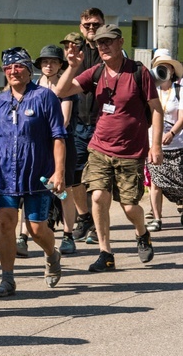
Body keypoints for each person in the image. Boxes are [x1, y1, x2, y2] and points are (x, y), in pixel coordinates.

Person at [55, 24, 162, 271]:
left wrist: (155, 145)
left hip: (132, 151)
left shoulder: (138, 72)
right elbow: (61, 92)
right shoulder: (95, 73)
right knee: (99, 196)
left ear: (121, 42)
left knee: (129, 206)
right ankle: (106, 253)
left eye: (108, 41)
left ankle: (142, 232)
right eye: (100, 42)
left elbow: (156, 109)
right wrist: (72, 66)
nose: (103, 46)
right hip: (100, 147)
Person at [0, 47, 66, 297]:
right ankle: (7, 279)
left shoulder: (44, 97)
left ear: (29, 69)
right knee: (6, 224)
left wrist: (59, 172)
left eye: (18, 66)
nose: (12, 71)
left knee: (36, 228)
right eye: (7, 68)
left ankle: (52, 255)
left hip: (37, 173)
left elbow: (58, 136)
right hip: (4, 173)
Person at [34, 45, 79, 255]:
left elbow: (64, 119)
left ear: (60, 65)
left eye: (52, 61)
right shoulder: (33, 86)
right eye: (44, 62)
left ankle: (68, 235)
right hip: (38, 145)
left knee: (65, 190)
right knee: (31, 187)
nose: (48, 65)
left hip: (62, 143)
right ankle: (25, 235)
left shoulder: (65, 87)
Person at [66, 8, 105, 244]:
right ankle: (84, 217)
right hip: (78, 123)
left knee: (100, 179)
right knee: (74, 176)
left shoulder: (110, 51)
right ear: (81, 27)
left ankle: (97, 227)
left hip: (102, 124)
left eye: (96, 24)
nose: (92, 28)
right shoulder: (74, 52)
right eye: (88, 25)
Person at [146, 49, 183, 231]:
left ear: (172, 69)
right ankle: (157, 218)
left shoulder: (179, 89)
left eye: (167, 66)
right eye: (160, 66)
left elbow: (182, 117)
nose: (164, 69)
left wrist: (172, 133)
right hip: (154, 144)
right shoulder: (151, 90)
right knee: (155, 182)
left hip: (177, 145)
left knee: (180, 181)